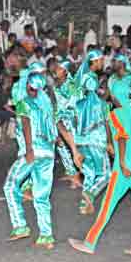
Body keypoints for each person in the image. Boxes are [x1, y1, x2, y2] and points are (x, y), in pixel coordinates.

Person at [68, 71, 131, 257]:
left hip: (123, 168)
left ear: (115, 96)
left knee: (107, 205)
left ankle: (89, 243)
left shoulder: (115, 114)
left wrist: (121, 160)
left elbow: (121, 138)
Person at [3, 71, 58, 249]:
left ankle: (20, 226)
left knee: (10, 185)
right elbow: (53, 135)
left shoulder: (24, 103)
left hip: (33, 151)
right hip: (48, 153)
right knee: (41, 196)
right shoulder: (46, 106)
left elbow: (26, 124)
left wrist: (28, 149)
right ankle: (46, 235)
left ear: (28, 85)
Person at [74, 50, 111, 215]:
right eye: (101, 60)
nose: (102, 62)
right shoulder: (97, 103)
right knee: (105, 174)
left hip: (81, 139)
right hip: (96, 138)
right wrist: (109, 142)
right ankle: (90, 193)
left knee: (89, 172)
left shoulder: (79, 101)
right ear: (94, 62)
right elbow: (105, 121)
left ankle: (85, 205)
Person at [53, 60, 84, 189]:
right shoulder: (57, 85)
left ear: (65, 71)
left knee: (73, 147)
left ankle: (78, 175)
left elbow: (78, 104)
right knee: (61, 147)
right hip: (59, 121)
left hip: (71, 121)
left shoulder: (72, 86)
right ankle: (72, 173)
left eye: (59, 68)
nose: (56, 70)